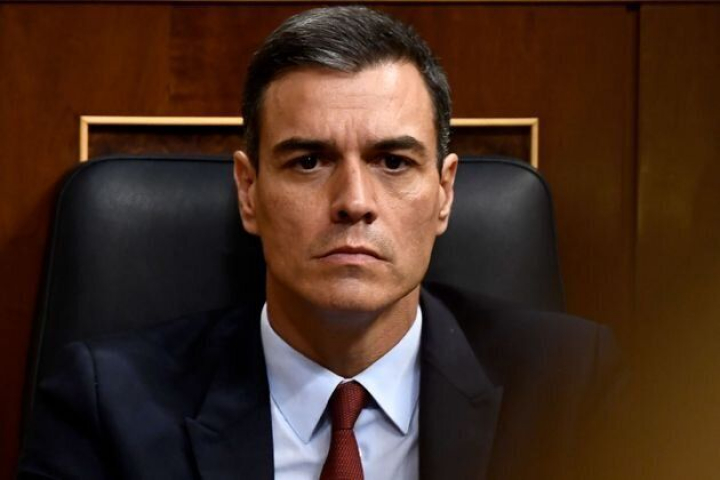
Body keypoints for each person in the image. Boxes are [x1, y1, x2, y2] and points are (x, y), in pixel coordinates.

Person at [18, 6, 621, 480]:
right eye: (309, 161)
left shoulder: (574, 387)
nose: (354, 201)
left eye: (392, 161)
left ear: (444, 193)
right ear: (249, 192)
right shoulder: (105, 406)